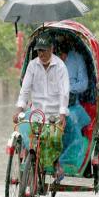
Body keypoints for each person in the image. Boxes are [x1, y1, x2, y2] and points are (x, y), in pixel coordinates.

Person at [13, 33, 69, 178]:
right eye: (39, 51)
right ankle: (30, 160)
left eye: (44, 50)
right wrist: (19, 109)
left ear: (51, 48)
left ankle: (56, 163)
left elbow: (64, 93)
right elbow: (25, 90)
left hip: (54, 114)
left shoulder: (60, 67)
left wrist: (62, 113)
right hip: (36, 112)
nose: (41, 54)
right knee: (26, 134)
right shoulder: (32, 66)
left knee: (54, 139)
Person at [57, 37, 91, 172]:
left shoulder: (77, 59)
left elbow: (83, 84)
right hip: (51, 103)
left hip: (72, 105)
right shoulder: (49, 61)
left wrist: (67, 89)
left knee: (70, 121)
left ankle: (68, 162)